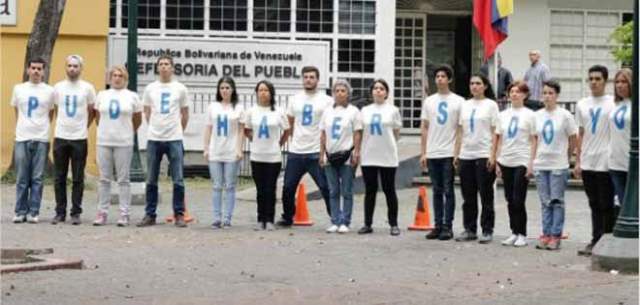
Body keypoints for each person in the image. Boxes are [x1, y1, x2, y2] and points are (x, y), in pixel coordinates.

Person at [137, 55, 190, 228]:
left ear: (172, 68)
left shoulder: (180, 88)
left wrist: (178, 130)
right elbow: (146, 111)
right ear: (157, 68)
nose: (164, 67)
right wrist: (155, 126)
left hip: (174, 138)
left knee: (178, 179)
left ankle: (179, 214)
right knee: (151, 179)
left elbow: (185, 113)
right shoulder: (150, 88)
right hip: (154, 138)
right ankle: (150, 214)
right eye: (161, 64)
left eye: (167, 64)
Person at [277, 66, 333, 228]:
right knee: (288, 187)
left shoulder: (326, 100)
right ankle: (288, 217)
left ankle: (335, 217)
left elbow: (328, 125)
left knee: (325, 186)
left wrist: (325, 149)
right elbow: (290, 122)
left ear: (317, 80)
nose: (308, 80)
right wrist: (290, 140)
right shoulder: (295, 99)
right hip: (296, 151)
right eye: (306, 77)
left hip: (316, 151)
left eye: (312, 77)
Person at [93, 65, 142, 226]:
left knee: (123, 179)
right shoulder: (102, 95)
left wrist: (127, 131)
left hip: (124, 142)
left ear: (125, 78)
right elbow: (97, 116)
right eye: (114, 75)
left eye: (120, 75)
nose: (117, 78)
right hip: (104, 141)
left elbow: (137, 119)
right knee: (104, 179)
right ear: (109, 78)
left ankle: (124, 213)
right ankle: (102, 212)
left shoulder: (132, 96)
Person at [574, 65, 616, 256]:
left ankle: (607, 239)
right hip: (588, 160)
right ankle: (595, 238)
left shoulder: (613, 102)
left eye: (598, 79)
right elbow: (580, 133)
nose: (594, 82)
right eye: (590, 78)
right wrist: (578, 160)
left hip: (606, 160)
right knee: (593, 202)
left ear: (605, 81)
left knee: (606, 203)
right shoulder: (582, 104)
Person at [51, 55, 96, 225]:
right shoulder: (58, 88)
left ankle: (76, 212)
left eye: (75, 66)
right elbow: (55, 109)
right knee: (59, 177)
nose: (72, 69)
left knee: (78, 177)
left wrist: (84, 127)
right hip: (61, 137)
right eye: (69, 65)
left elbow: (92, 111)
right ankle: (60, 212)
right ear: (65, 67)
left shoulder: (88, 88)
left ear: (81, 68)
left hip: (79, 138)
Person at [420, 65, 464, 241]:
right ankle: (437, 225)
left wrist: (456, 152)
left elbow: (460, 129)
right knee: (436, 190)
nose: (439, 79)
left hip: (448, 151)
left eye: (443, 76)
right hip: (433, 151)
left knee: (448, 189)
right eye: (437, 76)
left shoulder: (458, 101)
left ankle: (448, 226)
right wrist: (423, 152)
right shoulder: (429, 101)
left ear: (449, 79)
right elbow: (424, 127)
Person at [532, 80, 577, 250]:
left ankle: (556, 235)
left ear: (557, 95)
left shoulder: (565, 115)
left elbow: (573, 138)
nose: (547, 96)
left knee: (557, 201)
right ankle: (546, 233)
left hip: (558, 163)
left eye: (551, 93)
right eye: (545, 93)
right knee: (545, 202)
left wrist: (566, 155)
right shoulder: (537, 115)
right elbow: (535, 139)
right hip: (541, 163)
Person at [454, 74, 499, 244]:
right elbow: (460, 131)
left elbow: (496, 132)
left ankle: (487, 230)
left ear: (485, 86)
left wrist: (493, 155)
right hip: (466, 154)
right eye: (472, 83)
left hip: (483, 155)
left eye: (478, 83)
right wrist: (457, 153)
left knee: (486, 195)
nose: (474, 86)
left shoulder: (491, 105)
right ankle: (469, 229)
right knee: (468, 196)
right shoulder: (464, 105)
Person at [11, 58, 55, 224]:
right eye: (33, 68)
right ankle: (20, 211)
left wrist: (42, 128)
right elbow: (17, 110)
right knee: (22, 177)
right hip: (22, 137)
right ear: (28, 70)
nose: (36, 71)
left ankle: (34, 211)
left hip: (41, 137)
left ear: (43, 72)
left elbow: (51, 113)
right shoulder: (19, 89)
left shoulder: (49, 91)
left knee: (37, 177)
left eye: (39, 69)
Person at [357, 79, 402, 236]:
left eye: (381, 88)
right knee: (370, 190)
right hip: (369, 155)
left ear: (386, 93)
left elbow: (396, 133)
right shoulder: (364, 111)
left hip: (387, 156)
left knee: (389, 190)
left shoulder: (393, 110)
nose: (378, 91)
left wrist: (388, 144)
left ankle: (394, 224)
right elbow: (360, 132)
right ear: (372, 92)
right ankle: (367, 223)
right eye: (375, 88)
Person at [493, 81, 536, 247]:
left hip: (522, 160)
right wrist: (497, 160)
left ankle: (522, 233)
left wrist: (531, 162)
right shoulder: (503, 115)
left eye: (518, 92)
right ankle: (513, 231)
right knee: (510, 199)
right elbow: (499, 139)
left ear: (525, 95)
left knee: (519, 198)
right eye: (512, 91)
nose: (514, 94)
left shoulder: (530, 115)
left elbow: (533, 140)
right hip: (506, 159)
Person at [244, 80, 290, 231]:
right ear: (256, 93)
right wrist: (254, 140)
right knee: (260, 189)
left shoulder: (278, 111)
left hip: (273, 156)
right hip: (257, 155)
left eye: (266, 90)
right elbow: (247, 129)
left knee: (270, 188)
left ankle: (269, 219)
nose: (263, 93)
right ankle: (260, 219)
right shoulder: (251, 111)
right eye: (260, 90)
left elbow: (287, 130)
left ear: (271, 93)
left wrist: (279, 144)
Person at [319, 79, 362, 234]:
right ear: (333, 93)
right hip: (330, 155)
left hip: (347, 155)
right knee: (333, 190)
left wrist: (356, 152)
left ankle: (345, 221)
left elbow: (357, 133)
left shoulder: (353, 111)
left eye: (343, 91)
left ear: (348, 93)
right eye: (337, 90)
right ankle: (335, 220)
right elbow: (323, 134)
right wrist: (322, 154)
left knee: (347, 190)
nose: (339, 93)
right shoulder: (327, 111)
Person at [203, 76, 244, 229]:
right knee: (216, 185)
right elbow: (208, 128)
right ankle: (216, 217)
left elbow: (241, 131)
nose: (225, 91)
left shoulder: (238, 108)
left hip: (231, 151)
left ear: (232, 90)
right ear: (218, 90)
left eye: (227, 88)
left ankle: (227, 218)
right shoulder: (212, 107)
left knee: (230, 185)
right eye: (222, 88)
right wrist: (206, 148)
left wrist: (239, 149)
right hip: (215, 150)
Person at [608, 68, 632, 209]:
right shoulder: (615, 105)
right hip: (615, 162)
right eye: (617, 82)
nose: (619, 85)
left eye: (624, 82)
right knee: (623, 205)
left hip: (633, 163)